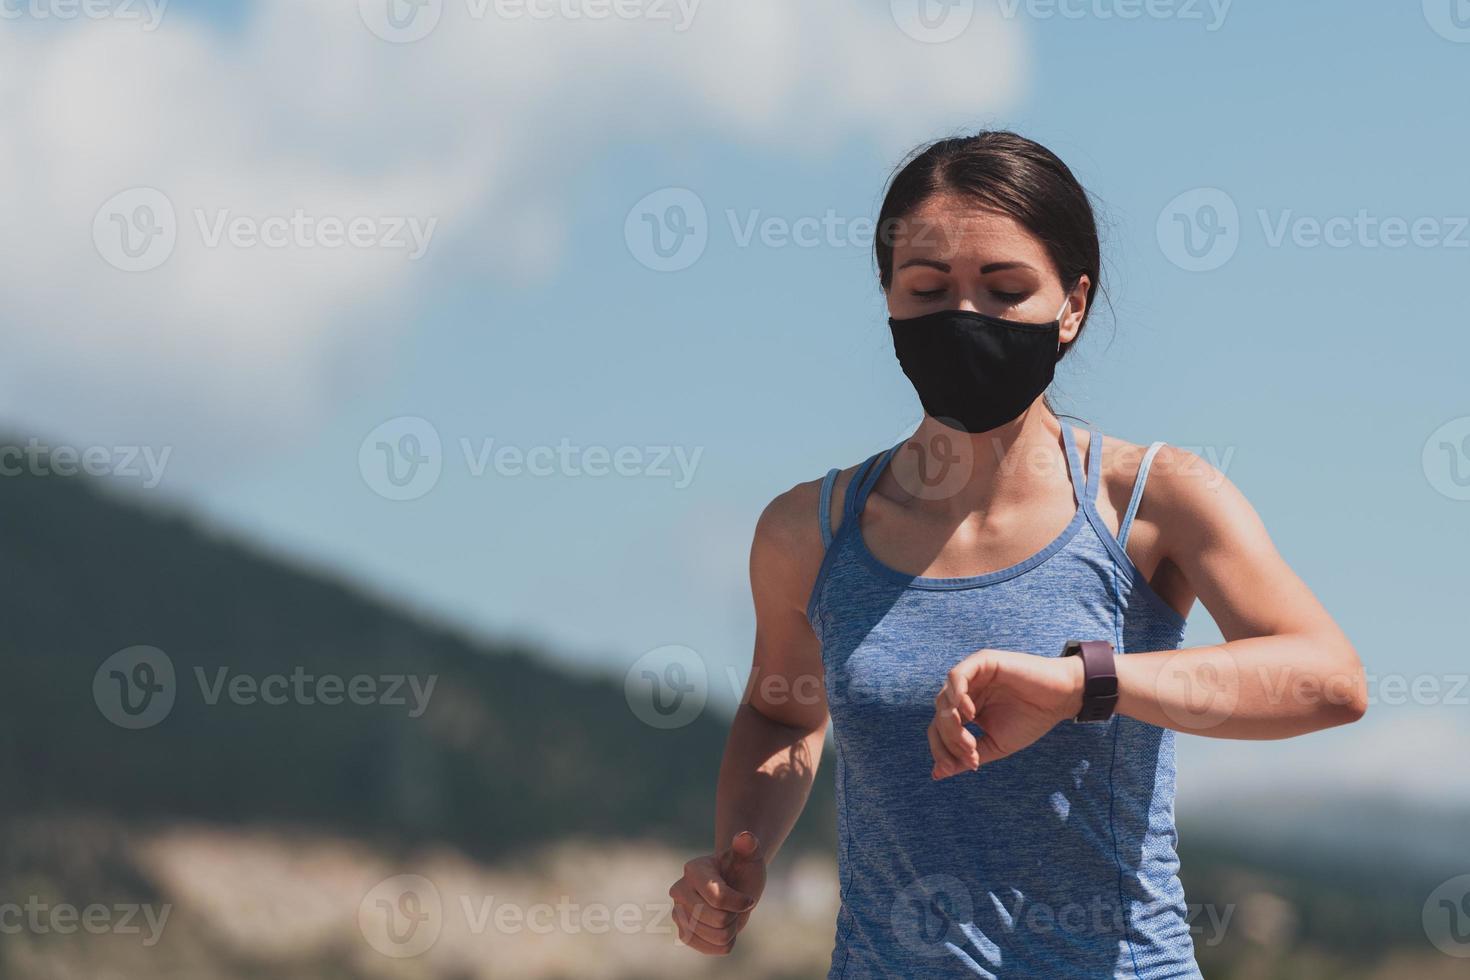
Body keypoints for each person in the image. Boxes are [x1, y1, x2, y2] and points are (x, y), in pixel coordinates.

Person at [667, 130, 1366, 978]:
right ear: (887, 299)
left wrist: (1083, 684)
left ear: (1071, 304)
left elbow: (1328, 679)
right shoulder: (806, 532)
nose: (965, 317)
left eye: (1004, 289)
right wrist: (740, 856)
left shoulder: (1152, 498)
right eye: (928, 288)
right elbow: (782, 712)